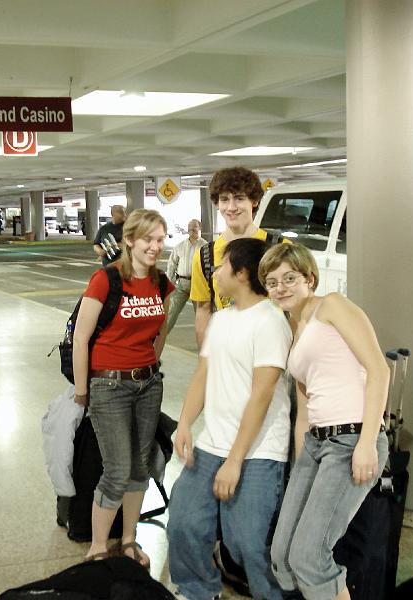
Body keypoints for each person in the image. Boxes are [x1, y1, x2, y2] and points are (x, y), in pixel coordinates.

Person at [261, 243, 389, 600]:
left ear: (309, 278)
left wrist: (367, 441)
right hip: (316, 445)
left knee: (310, 556)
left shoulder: (332, 306)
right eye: (272, 283)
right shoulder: (293, 330)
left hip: (352, 439)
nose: (280, 288)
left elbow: (379, 369)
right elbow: (304, 407)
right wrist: (301, 462)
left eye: (289, 278)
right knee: (282, 556)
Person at [168, 238, 291, 600]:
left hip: (257, 452)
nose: (215, 271)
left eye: (221, 265)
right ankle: (197, 591)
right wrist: (185, 423)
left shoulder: (270, 322)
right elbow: (203, 375)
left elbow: (262, 395)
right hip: (210, 445)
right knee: (184, 524)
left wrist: (235, 461)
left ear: (241, 272)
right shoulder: (220, 320)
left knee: (247, 545)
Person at [72, 208, 174, 565]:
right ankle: (99, 545)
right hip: (108, 386)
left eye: (160, 240)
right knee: (116, 468)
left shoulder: (161, 283)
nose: (155, 247)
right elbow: (82, 337)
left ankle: (129, 540)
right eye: (148, 239)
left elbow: (160, 329)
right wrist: (83, 390)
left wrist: (150, 362)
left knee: (139, 466)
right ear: (130, 240)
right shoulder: (106, 280)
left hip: (147, 385)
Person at [190, 167, 268, 348]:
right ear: (217, 204)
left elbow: (297, 309)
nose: (231, 207)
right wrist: (206, 363)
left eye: (239, 198)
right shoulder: (205, 256)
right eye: (224, 199)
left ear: (254, 201)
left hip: (272, 353)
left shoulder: (279, 248)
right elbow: (203, 310)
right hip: (228, 354)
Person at [165, 219, 207, 335]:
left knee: (201, 315)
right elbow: (171, 265)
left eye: (194, 227)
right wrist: (169, 283)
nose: (192, 229)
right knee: (171, 313)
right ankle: (159, 339)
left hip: (198, 285)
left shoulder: (205, 246)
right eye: (190, 227)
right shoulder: (180, 246)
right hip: (182, 284)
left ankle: (206, 343)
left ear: (200, 228)